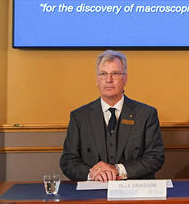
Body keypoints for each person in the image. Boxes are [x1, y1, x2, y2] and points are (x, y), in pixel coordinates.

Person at [59, 50, 165, 181]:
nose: (108, 80)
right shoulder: (80, 117)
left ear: (125, 78)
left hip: (134, 189)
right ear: (97, 80)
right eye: (103, 74)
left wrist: (118, 170)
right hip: (93, 189)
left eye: (115, 73)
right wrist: (92, 174)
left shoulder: (146, 114)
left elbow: (155, 157)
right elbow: (68, 161)